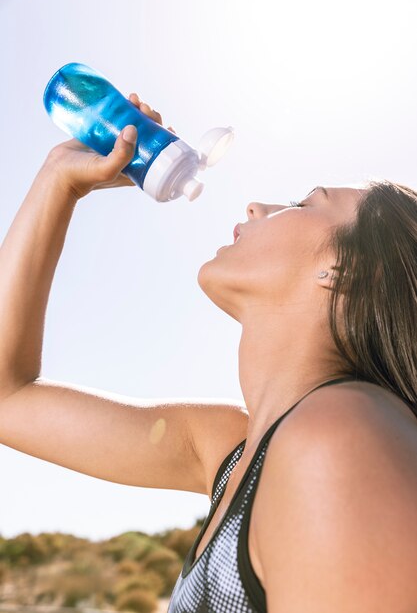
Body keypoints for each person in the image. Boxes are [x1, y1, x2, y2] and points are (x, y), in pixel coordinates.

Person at [1, 93, 417, 613]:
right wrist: (57, 180)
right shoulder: (227, 449)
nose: (257, 207)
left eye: (304, 203)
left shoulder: (339, 437)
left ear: (346, 271)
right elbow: (6, 397)